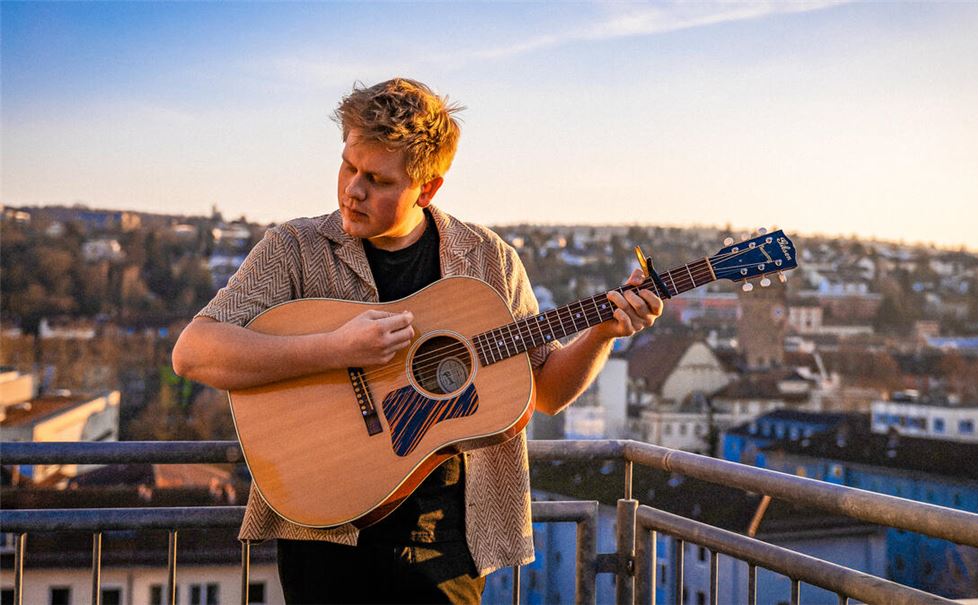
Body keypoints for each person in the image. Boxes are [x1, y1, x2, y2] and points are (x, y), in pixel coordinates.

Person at [172, 77, 663, 604]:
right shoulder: (296, 249)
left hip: (449, 542)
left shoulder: (489, 261)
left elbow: (544, 391)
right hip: (325, 529)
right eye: (348, 166)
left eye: (377, 180)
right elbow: (194, 351)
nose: (351, 190)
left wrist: (603, 334)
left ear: (427, 188)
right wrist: (336, 349)